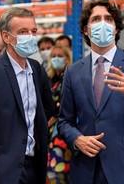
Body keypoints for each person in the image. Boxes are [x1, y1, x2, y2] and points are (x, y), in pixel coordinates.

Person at [57, 0, 124, 184]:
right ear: (86, 29)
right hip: (86, 168)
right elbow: (64, 121)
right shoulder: (73, 71)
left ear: (116, 29)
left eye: (108, 19)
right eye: (96, 19)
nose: (103, 24)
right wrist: (77, 139)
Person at [0, 7, 52, 184]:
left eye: (33, 31)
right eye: (22, 32)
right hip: (1, 171)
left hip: (34, 167)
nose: (30, 36)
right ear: (6, 37)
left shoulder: (36, 69)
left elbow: (45, 112)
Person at [46, 45, 72, 184]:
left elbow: (62, 108)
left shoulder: (69, 77)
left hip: (61, 133)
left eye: (60, 56)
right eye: (53, 56)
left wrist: (48, 123)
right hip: (49, 134)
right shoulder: (49, 79)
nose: (56, 59)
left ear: (67, 58)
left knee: (58, 170)